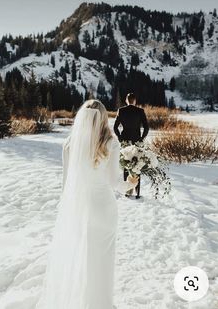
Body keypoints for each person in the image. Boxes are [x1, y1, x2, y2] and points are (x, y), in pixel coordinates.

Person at [35, 99, 138, 309]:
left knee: (82, 258)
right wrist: (131, 183)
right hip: (104, 209)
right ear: (103, 119)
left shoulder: (69, 145)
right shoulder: (111, 143)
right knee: (102, 261)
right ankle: (101, 304)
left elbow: (66, 186)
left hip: (79, 208)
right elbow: (114, 182)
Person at [113, 93, 149, 199]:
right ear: (135, 101)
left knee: (126, 165)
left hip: (125, 142)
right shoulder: (140, 111)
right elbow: (146, 127)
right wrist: (142, 139)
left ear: (126, 100)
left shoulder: (121, 110)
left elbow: (115, 127)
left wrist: (120, 138)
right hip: (137, 142)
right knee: (138, 166)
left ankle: (127, 192)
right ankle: (137, 192)